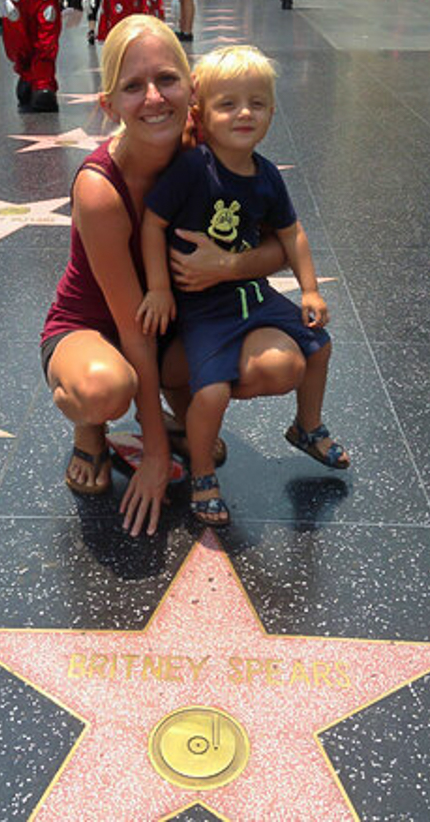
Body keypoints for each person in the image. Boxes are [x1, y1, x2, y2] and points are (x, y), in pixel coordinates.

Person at [41, 15, 293, 536]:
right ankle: (92, 432)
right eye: (133, 86)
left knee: (281, 365)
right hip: (97, 328)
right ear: (109, 105)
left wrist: (229, 264)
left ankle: (182, 413)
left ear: (192, 89)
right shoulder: (99, 188)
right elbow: (130, 326)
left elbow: (282, 245)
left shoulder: (208, 147)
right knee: (104, 388)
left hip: (178, 322)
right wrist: (153, 453)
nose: (154, 97)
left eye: (167, 80)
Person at [138, 45, 349, 524]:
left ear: (272, 112)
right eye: (228, 104)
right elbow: (153, 222)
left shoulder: (267, 175)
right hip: (205, 310)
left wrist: (310, 289)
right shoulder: (196, 169)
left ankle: (307, 425)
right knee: (210, 393)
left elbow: (291, 231)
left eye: (256, 102)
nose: (244, 113)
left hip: (253, 295)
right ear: (202, 115)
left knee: (319, 346)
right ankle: (202, 474)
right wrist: (159, 288)